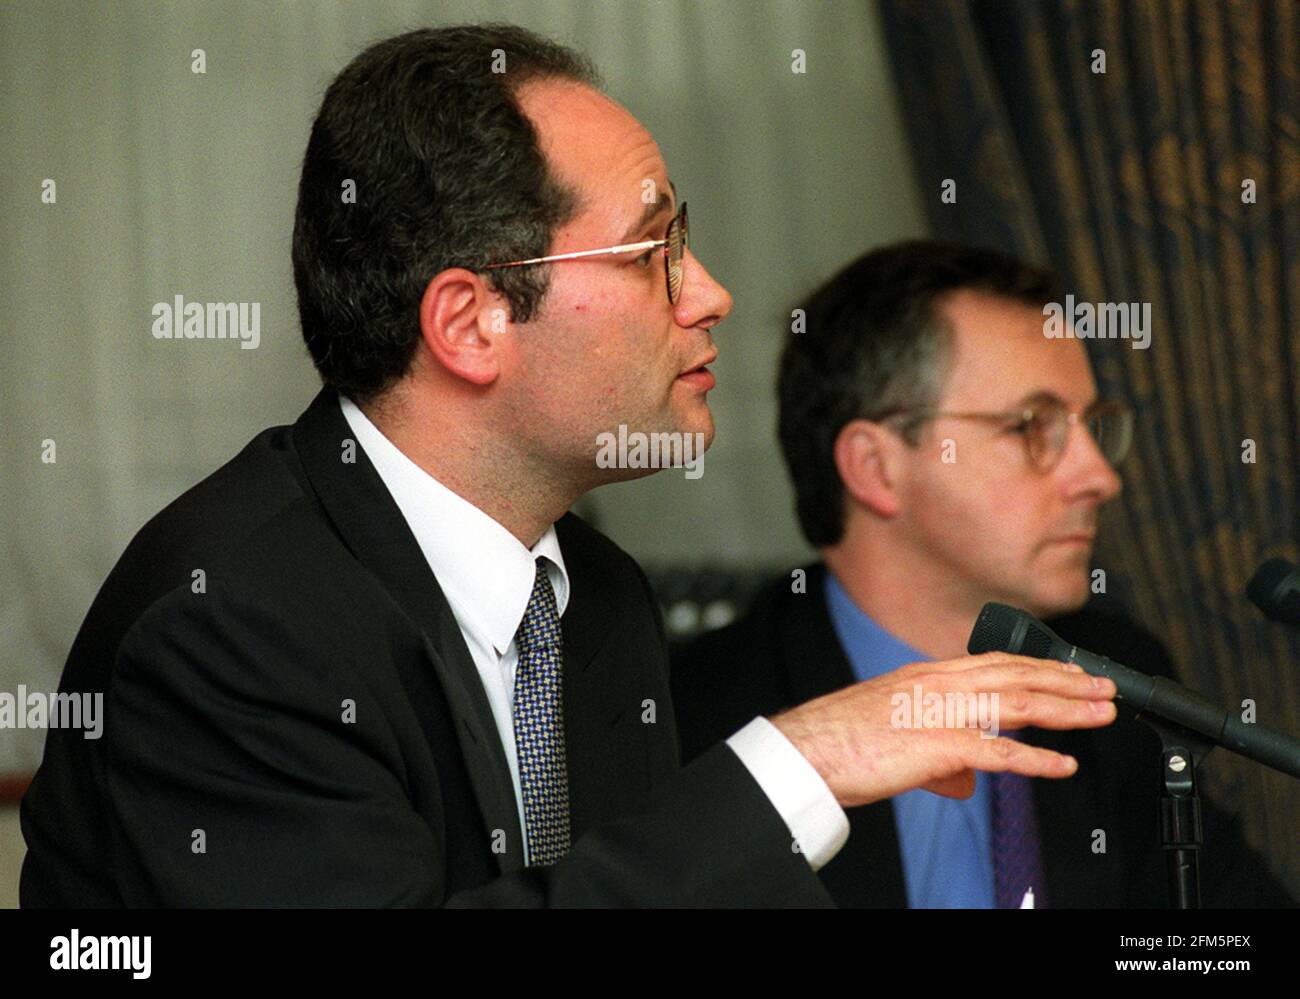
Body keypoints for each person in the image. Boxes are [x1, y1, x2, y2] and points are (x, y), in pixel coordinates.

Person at [19, 27, 1118, 908]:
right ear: (471, 321)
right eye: (654, 253)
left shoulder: (594, 602)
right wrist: (798, 761)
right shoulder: (232, 623)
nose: (711, 294)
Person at [672, 240, 1296, 907]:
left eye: (1091, 428)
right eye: (1035, 426)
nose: (1100, 477)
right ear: (876, 467)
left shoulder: (1114, 677)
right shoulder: (702, 717)